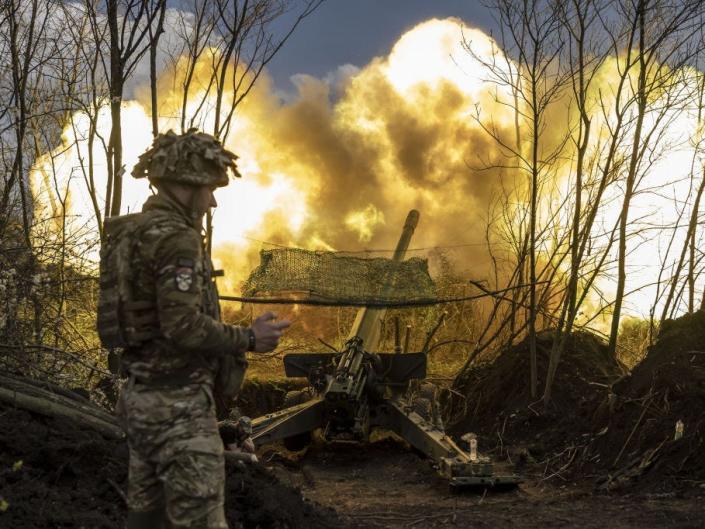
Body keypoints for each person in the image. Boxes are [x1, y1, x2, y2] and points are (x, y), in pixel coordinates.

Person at [114, 129, 290, 529]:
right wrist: (249, 338)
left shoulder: (131, 234)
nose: (211, 200)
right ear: (187, 184)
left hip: (140, 401)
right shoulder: (177, 240)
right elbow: (182, 326)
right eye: (209, 188)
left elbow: (149, 320)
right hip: (179, 410)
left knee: (147, 522)